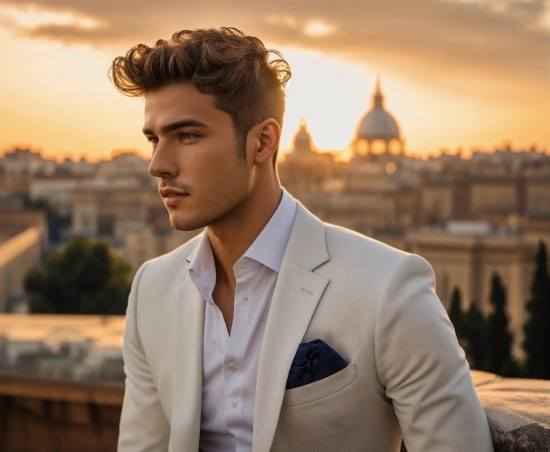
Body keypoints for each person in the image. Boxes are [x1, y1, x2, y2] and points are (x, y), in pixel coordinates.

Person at [111, 27, 493, 452]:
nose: (158, 165)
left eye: (186, 136)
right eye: (153, 139)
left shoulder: (389, 288)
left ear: (263, 141)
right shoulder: (151, 290)